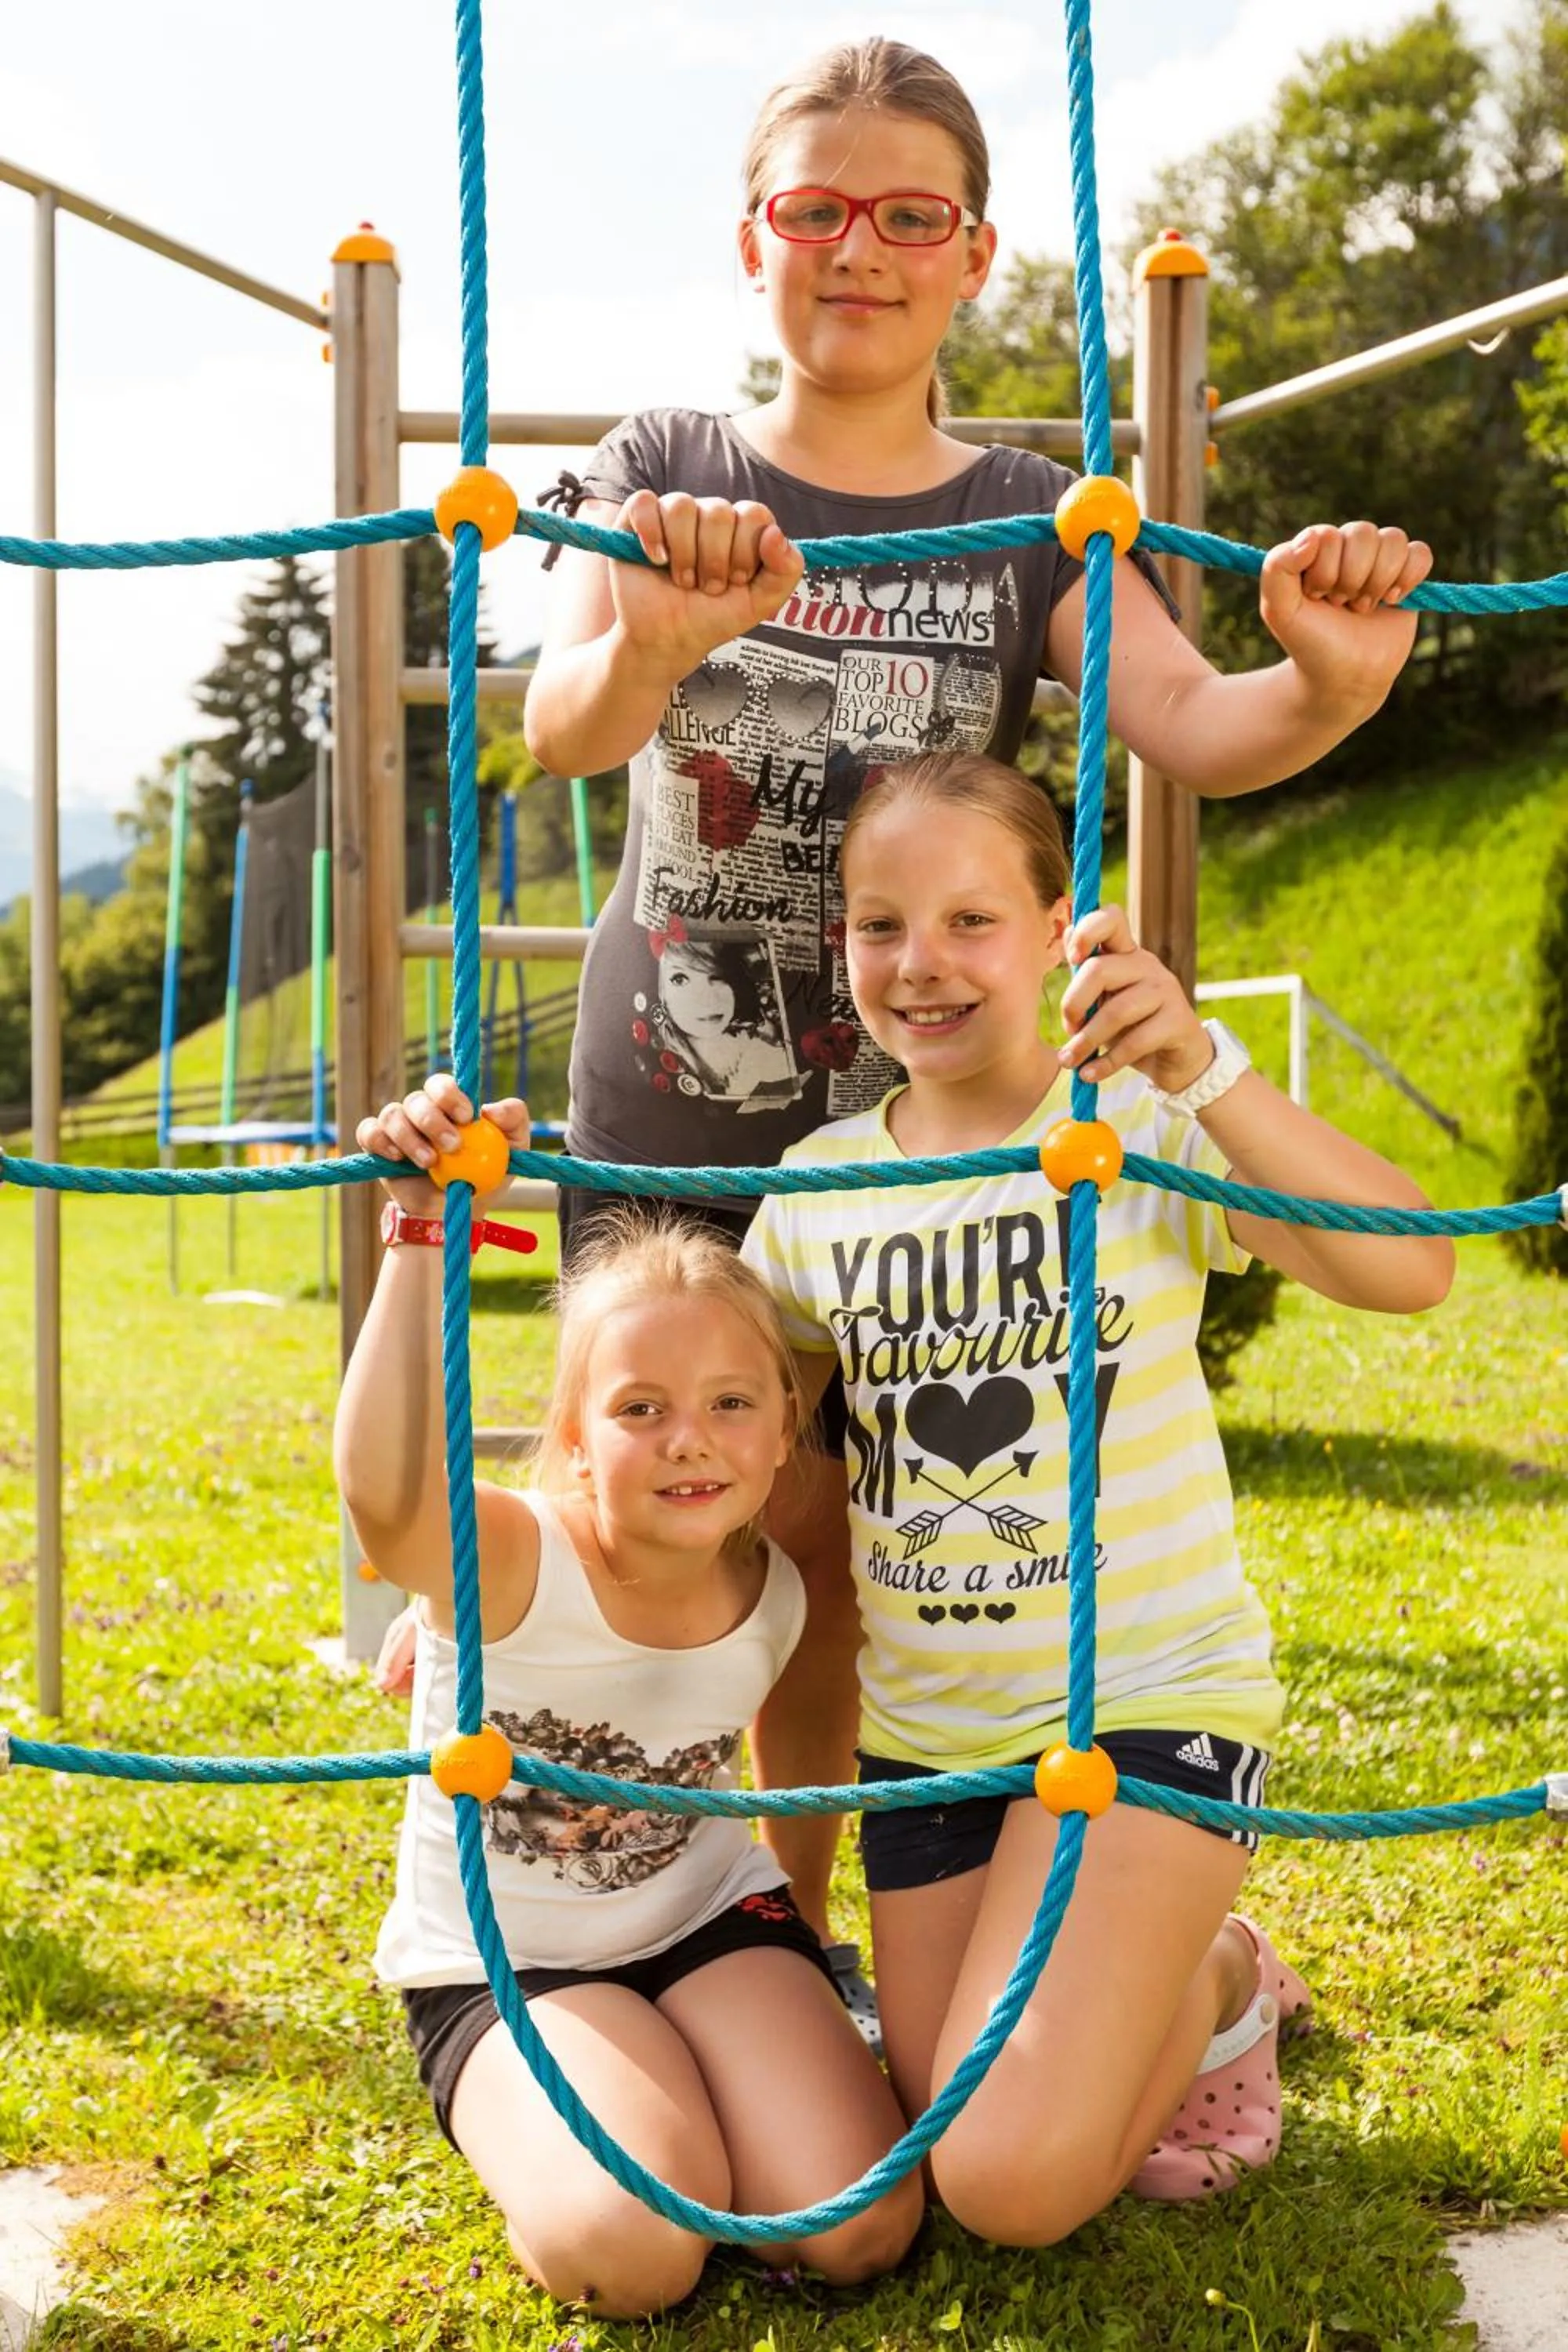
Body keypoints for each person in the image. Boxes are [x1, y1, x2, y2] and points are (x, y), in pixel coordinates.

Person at [387, 36, 1434, 2004]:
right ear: (750, 238)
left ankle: (823, 1934)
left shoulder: (1039, 515)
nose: (856, 249)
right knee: (679, 1538)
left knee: (863, 1561)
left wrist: (1332, 689)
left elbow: (1201, 724)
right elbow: (555, 724)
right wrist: (662, 635)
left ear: (972, 258)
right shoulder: (663, 471)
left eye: (908, 216)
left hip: (916, 1147)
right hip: (674, 1119)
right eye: (814, 210)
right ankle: (703, 1923)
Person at [739, 750, 1454, 2241]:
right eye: (879, 925)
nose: (918, 965)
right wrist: (509, 1564)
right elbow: (721, 1432)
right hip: (933, 1747)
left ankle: (1216, 1977)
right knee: (938, 2142)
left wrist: (1202, 1067)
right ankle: (1179, 1977)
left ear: (1063, 924)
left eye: (968, 921)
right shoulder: (814, 1190)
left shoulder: (1139, 1133)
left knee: (1009, 2187)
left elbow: (1414, 1265)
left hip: (1144, 1709)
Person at [336, 1080, 922, 2318]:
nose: (688, 1440)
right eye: (639, 1410)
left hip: (710, 1921)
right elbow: (392, 1507)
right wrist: (419, 1231)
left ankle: (725, 2093)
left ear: (780, 1437)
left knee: (859, 2229)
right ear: (576, 1439)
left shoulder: (775, 1586)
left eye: (729, 1406)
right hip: (511, 1969)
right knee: (637, 2254)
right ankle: (606, 2128)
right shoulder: (507, 1558)